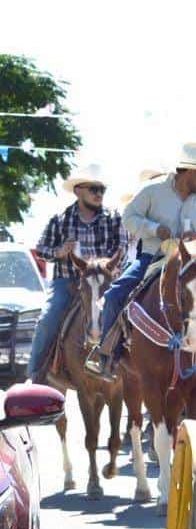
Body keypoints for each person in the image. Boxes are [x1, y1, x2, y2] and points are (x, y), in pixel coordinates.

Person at [87, 142, 196, 381]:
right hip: (153, 258)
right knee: (116, 293)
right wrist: (153, 229)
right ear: (190, 172)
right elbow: (129, 217)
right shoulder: (152, 191)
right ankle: (106, 354)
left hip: (193, 264)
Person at [29, 163, 124, 385]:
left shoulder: (114, 218)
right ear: (78, 191)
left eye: (102, 190)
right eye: (93, 189)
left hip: (104, 283)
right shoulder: (60, 220)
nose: (99, 194)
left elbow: (121, 250)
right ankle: (35, 375)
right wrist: (59, 252)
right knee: (47, 319)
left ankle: (135, 374)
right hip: (68, 281)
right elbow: (41, 249)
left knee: (134, 317)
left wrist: (105, 269)